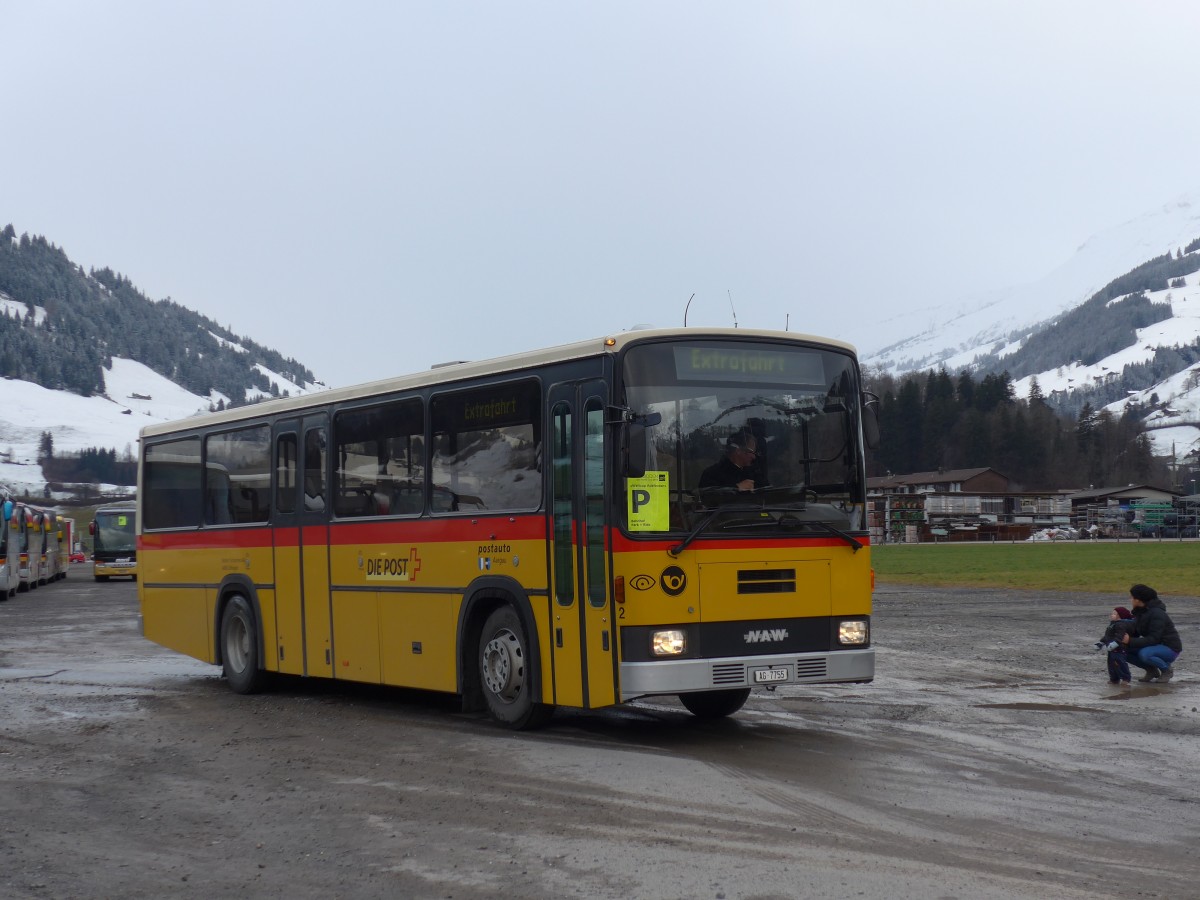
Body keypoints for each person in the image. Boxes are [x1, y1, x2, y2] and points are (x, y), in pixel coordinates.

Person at [1122, 583, 1183, 683]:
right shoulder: (1140, 611)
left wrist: (1130, 640)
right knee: (1122, 649)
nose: (1130, 599)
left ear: (1138, 600)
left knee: (1145, 654)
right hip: (1154, 645)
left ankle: (1166, 670)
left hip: (1170, 648)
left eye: (1132, 597)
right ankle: (1151, 670)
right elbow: (1136, 631)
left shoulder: (1157, 613)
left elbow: (1154, 639)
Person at [698, 428, 765, 494]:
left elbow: (768, 492)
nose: (754, 457)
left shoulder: (754, 472)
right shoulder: (711, 474)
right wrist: (736, 488)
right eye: (751, 452)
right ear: (738, 451)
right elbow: (707, 498)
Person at [1094, 606, 1136, 685]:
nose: (1112, 615)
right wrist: (1101, 643)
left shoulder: (1121, 625)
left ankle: (1125, 678)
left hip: (1120, 649)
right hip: (1111, 648)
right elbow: (1107, 636)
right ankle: (1114, 679)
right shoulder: (1112, 624)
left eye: (1114, 614)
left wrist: (1115, 643)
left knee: (1120, 663)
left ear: (1120, 616)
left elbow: (1120, 636)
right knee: (1111, 664)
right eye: (1112, 613)